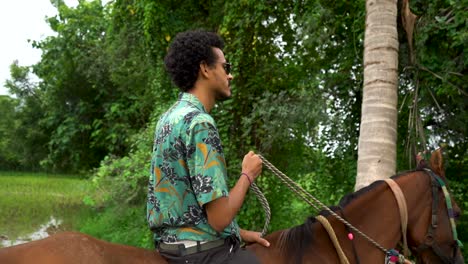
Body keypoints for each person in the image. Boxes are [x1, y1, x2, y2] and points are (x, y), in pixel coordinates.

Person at [147, 30, 269, 264]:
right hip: (201, 254)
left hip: (170, 249)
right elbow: (219, 218)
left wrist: (240, 233)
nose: (230, 75)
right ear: (205, 68)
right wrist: (248, 174)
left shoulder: (168, 118)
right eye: (226, 67)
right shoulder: (200, 123)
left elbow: (185, 207)